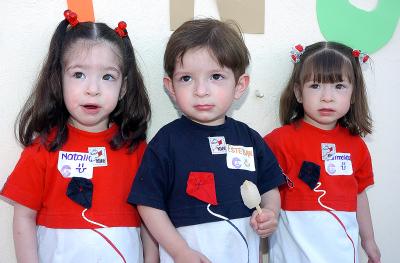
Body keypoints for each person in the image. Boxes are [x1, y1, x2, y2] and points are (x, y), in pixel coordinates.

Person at [0, 10, 158, 263]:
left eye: (108, 77)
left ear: (123, 88)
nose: (92, 89)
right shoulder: (42, 149)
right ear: (59, 79)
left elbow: (151, 215)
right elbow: (23, 218)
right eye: (78, 74)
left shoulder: (137, 151)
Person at [128, 18, 285, 263]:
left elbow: (269, 188)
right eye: (186, 79)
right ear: (170, 87)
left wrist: (271, 212)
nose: (201, 90)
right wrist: (180, 250)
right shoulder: (165, 143)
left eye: (216, 76)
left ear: (239, 85)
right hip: (188, 253)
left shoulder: (249, 139)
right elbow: (148, 205)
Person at [264, 41, 381, 263]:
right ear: (299, 92)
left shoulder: (356, 146)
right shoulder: (277, 142)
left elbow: (359, 195)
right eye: (315, 86)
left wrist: (369, 241)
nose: (327, 97)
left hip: (342, 254)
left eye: (339, 86)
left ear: (354, 94)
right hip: (292, 254)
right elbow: (263, 199)